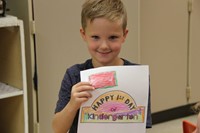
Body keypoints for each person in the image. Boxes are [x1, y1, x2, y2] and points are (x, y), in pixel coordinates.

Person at [52, 0, 152, 133]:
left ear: (124, 35)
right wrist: (72, 105)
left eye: (112, 37)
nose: (104, 46)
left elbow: (141, 125)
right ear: (84, 35)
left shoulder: (136, 78)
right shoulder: (74, 75)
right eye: (95, 37)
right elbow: (58, 129)